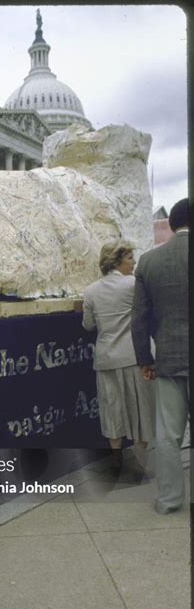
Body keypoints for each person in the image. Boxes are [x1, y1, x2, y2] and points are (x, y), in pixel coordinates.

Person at [131, 198, 189, 514]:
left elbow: (139, 319)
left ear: (170, 224)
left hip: (168, 360)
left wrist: (145, 360)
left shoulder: (149, 261)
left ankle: (169, 500)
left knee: (167, 436)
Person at [82, 240, 155, 474]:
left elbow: (88, 325)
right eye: (130, 257)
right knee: (140, 409)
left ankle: (116, 460)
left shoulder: (91, 291)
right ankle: (140, 464)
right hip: (134, 357)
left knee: (112, 410)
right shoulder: (134, 285)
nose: (134, 262)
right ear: (117, 260)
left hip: (106, 359)